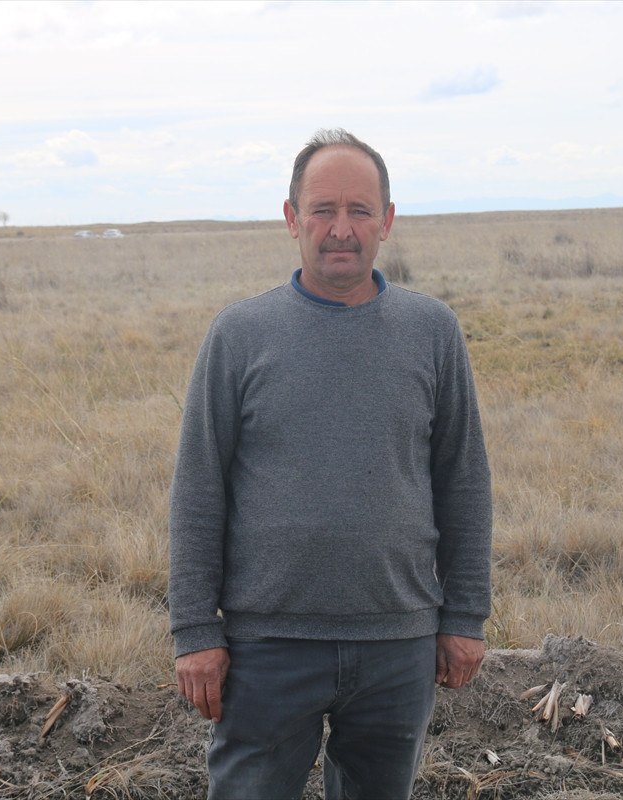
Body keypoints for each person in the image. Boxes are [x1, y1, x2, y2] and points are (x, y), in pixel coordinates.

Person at [168, 128, 492, 800]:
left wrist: (465, 616)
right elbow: (198, 489)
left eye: (359, 210)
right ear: (292, 219)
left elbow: (462, 481)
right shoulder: (239, 335)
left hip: (398, 644)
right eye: (322, 210)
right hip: (266, 648)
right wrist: (195, 631)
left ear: (387, 221)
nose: (341, 229)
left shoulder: (432, 331)